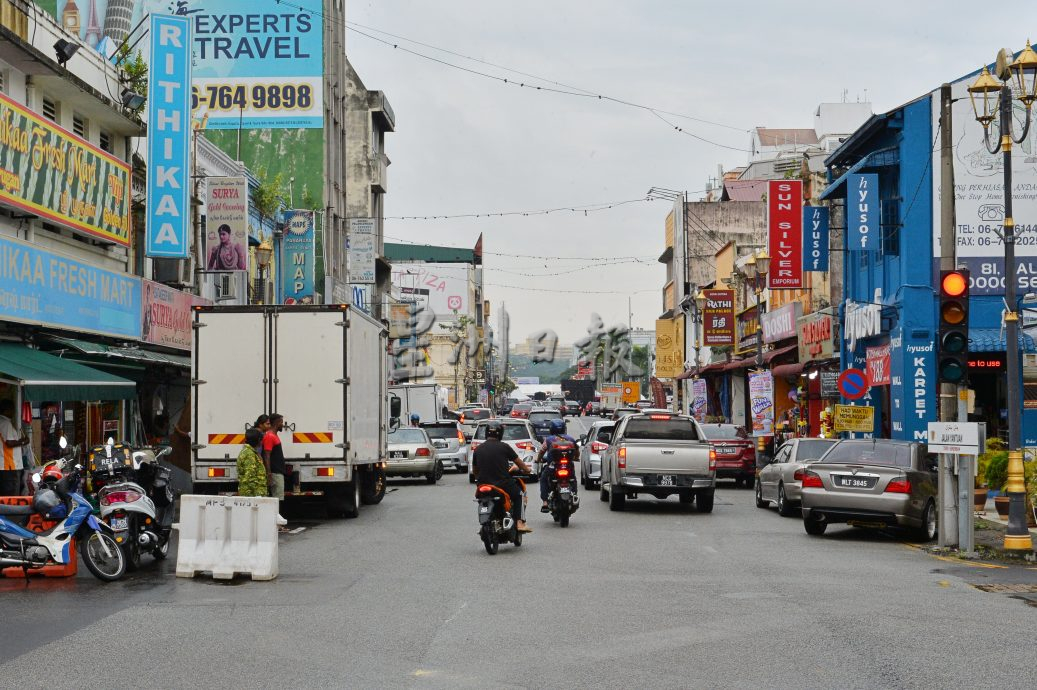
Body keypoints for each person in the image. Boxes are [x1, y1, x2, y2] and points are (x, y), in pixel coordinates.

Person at [472, 420, 532, 533]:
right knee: (519, 494)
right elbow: (519, 463)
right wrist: (527, 470)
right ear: (501, 433)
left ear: (486, 433)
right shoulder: (504, 447)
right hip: (502, 484)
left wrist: (478, 479)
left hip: (483, 485)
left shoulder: (478, 449)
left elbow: (475, 470)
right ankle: (519, 523)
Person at [536, 418, 577, 513]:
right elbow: (577, 452)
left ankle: (545, 502)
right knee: (573, 479)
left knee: (543, 479)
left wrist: (538, 460)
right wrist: (575, 458)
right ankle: (574, 495)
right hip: (568, 466)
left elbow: (542, 451)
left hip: (553, 467)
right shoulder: (570, 438)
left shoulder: (549, 439)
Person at [263, 413, 289, 528]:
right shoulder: (270, 436)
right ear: (276, 423)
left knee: (278, 498)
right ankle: (277, 524)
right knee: (277, 499)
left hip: (278, 471)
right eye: (281, 422)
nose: (282, 425)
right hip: (275, 472)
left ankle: (277, 524)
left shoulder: (274, 435)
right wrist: (269, 473)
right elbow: (267, 456)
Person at [0, 399, 29, 496]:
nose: (13, 412)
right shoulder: (5, 423)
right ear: (6, 410)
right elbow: (9, 443)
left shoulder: (2, 422)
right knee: (11, 496)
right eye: (12, 409)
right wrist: (23, 441)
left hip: (6, 466)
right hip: (9, 466)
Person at [236, 427, 268, 497]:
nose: (262, 442)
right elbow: (250, 477)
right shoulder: (249, 454)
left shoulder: (250, 452)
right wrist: (258, 496)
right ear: (258, 440)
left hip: (252, 494)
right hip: (252, 495)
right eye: (261, 440)